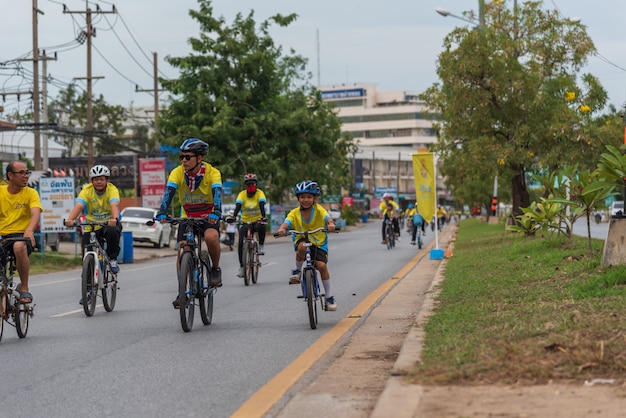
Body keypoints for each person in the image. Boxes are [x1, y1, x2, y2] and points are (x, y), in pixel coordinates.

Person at [156, 138, 223, 308]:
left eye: (188, 157)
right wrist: (162, 211)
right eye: (182, 157)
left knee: (211, 237)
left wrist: (217, 211)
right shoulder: (177, 172)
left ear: (199, 158)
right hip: (188, 216)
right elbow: (169, 192)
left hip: (209, 216)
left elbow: (217, 192)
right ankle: (182, 292)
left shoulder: (212, 172)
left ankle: (215, 269)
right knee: (183, 249)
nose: (184, 160)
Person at [276, 180, 337, 311]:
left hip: (319, 242)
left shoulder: (319, 209)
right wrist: (282, 229)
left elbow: (327, 218)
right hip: (301, 238)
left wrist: (331, 224)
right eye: (302, 197)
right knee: (302, 247)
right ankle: (297, 270)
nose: (306, 200)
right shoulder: (294, 213)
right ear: (298, 198)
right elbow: (287, 222)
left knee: (322, 266)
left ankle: (329, 296)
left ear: (314, 198)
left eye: (309, 197)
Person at [0, 161, 42, 304]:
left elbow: (36, 213)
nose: (26, 176)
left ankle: (24, 287)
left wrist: (29, 230)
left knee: (19, 247)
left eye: (27, 172)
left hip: (23, 236)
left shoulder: (31, 193)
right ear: (10, 175)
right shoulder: (1, 193)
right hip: (3, 236)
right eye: (22, 173)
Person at [232, 173, 267, 278]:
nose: (250, 186)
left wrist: (264, 217)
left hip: (257, 220)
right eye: (248, 184)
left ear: (256, 184)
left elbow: (261, 205)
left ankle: (260, 246)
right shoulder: (242, 194)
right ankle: (242, 267)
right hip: (245, 222)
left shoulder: (260, 193)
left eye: (252, 184)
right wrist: (234, 217)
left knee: (261, 226)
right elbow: (238, 206)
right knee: (240, 244)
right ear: (245, 186)